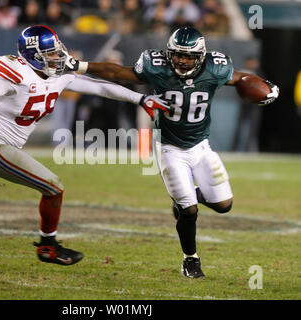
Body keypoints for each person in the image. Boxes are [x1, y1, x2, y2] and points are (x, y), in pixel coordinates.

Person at [0, 25, 168, 266]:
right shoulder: (16, 75)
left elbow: (98, 86)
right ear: (32, 56)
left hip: (0, 145)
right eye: (50, 54)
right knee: (53, 187)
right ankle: (47, 246)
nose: (58, 57)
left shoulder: (57, 76)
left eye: (58, 50)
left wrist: (140, 98)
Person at [64, 26, 279, 277]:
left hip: (201, 145)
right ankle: (191, 259)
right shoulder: (156, 66)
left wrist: (263, 85)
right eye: (177, 54)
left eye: (188, 56)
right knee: (189, 210)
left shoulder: (215, 67)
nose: (182, 60)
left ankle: (186, 198)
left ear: (200, 56)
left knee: (223, 205)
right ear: (169, 53)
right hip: (169, 148)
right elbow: (118, 71)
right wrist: (79, 65)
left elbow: (238, 77)